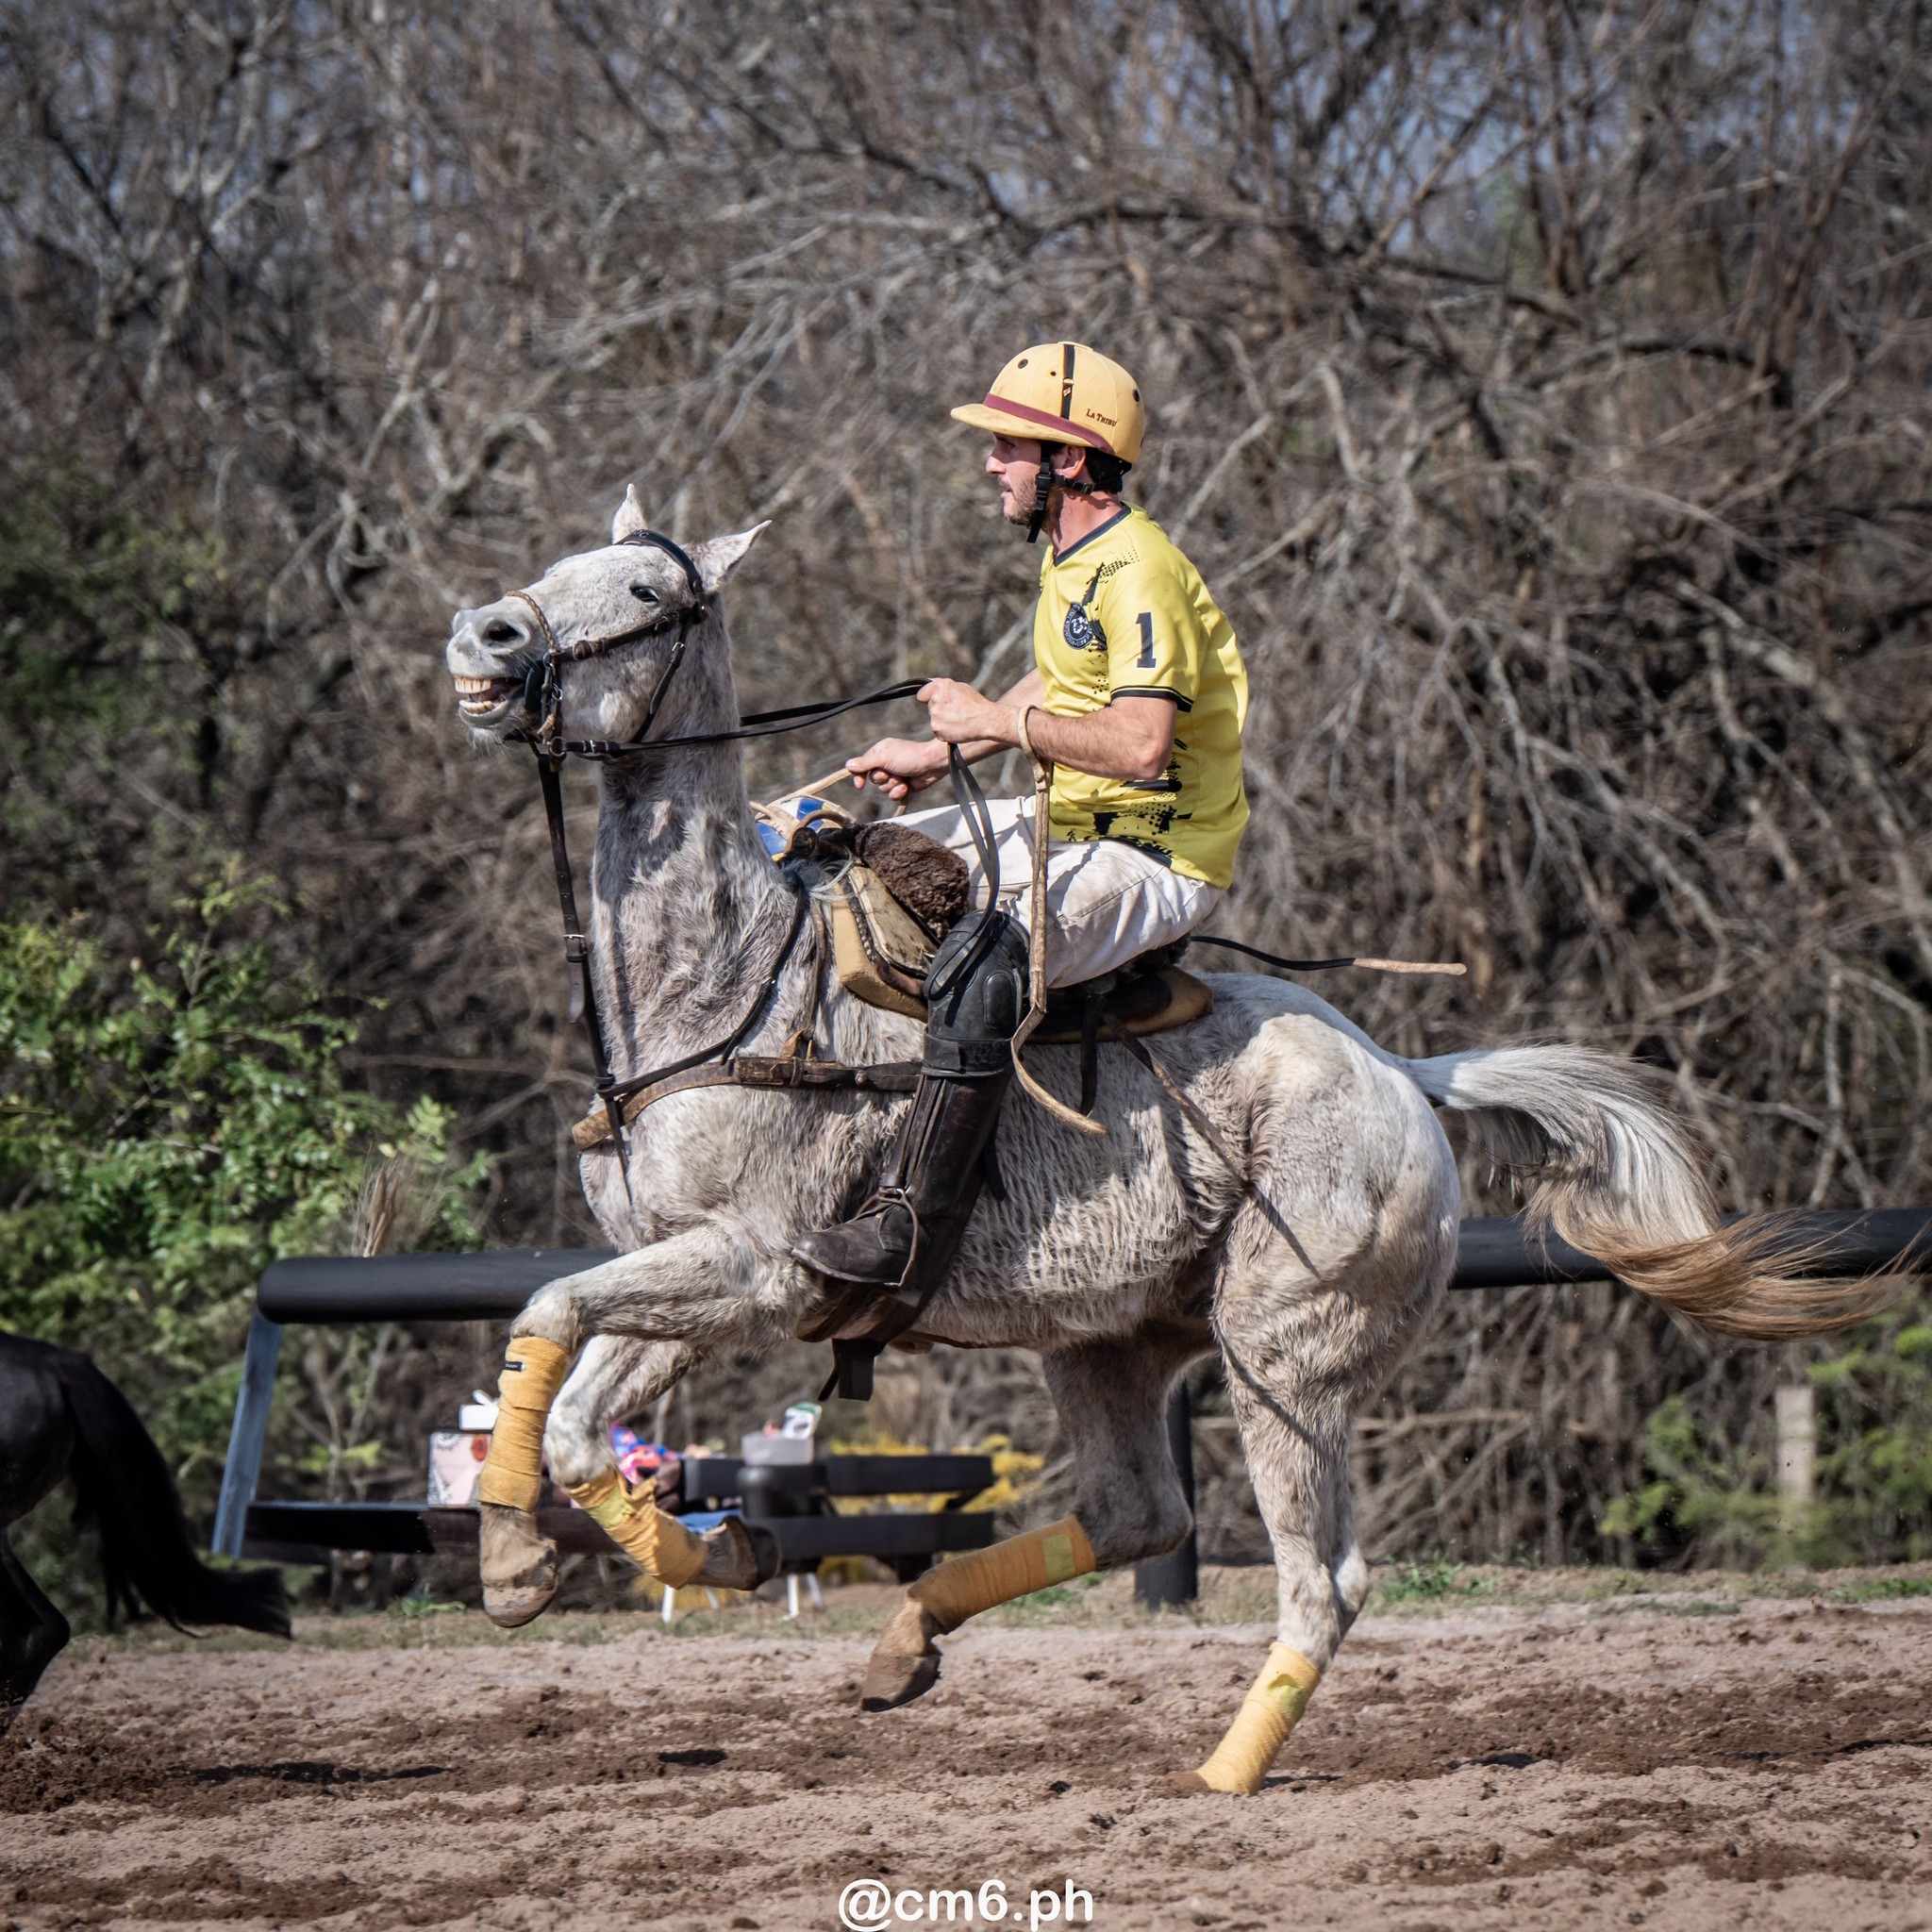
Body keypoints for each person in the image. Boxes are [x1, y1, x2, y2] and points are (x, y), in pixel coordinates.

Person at [791, 341, 1249, 1308]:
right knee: (859, 861)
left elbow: (1137, 745)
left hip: (1154, 852)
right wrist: (933, 751)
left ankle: (913, 1222)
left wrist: (991, 724)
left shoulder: (1140, 569)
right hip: (1071, 821)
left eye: (1007, 447)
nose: (989, 466)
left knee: (977, 957)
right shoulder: (1069, 553)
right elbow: (1065, 677)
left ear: (1068, 462)